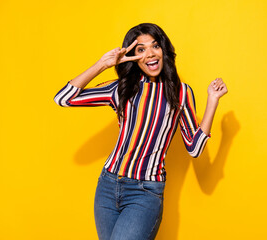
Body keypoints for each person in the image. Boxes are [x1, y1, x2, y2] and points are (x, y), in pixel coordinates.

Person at [54, 23, 227, 240]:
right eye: (141, 49)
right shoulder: (122, 88)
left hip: (145, 192)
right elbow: (64, 98)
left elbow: (194, 148)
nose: (150, 54)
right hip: (108, 186)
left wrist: (212, 101)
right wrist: (103, 64)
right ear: (134, 57)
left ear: (164, 49)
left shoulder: (180, 92)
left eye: (155, 46)